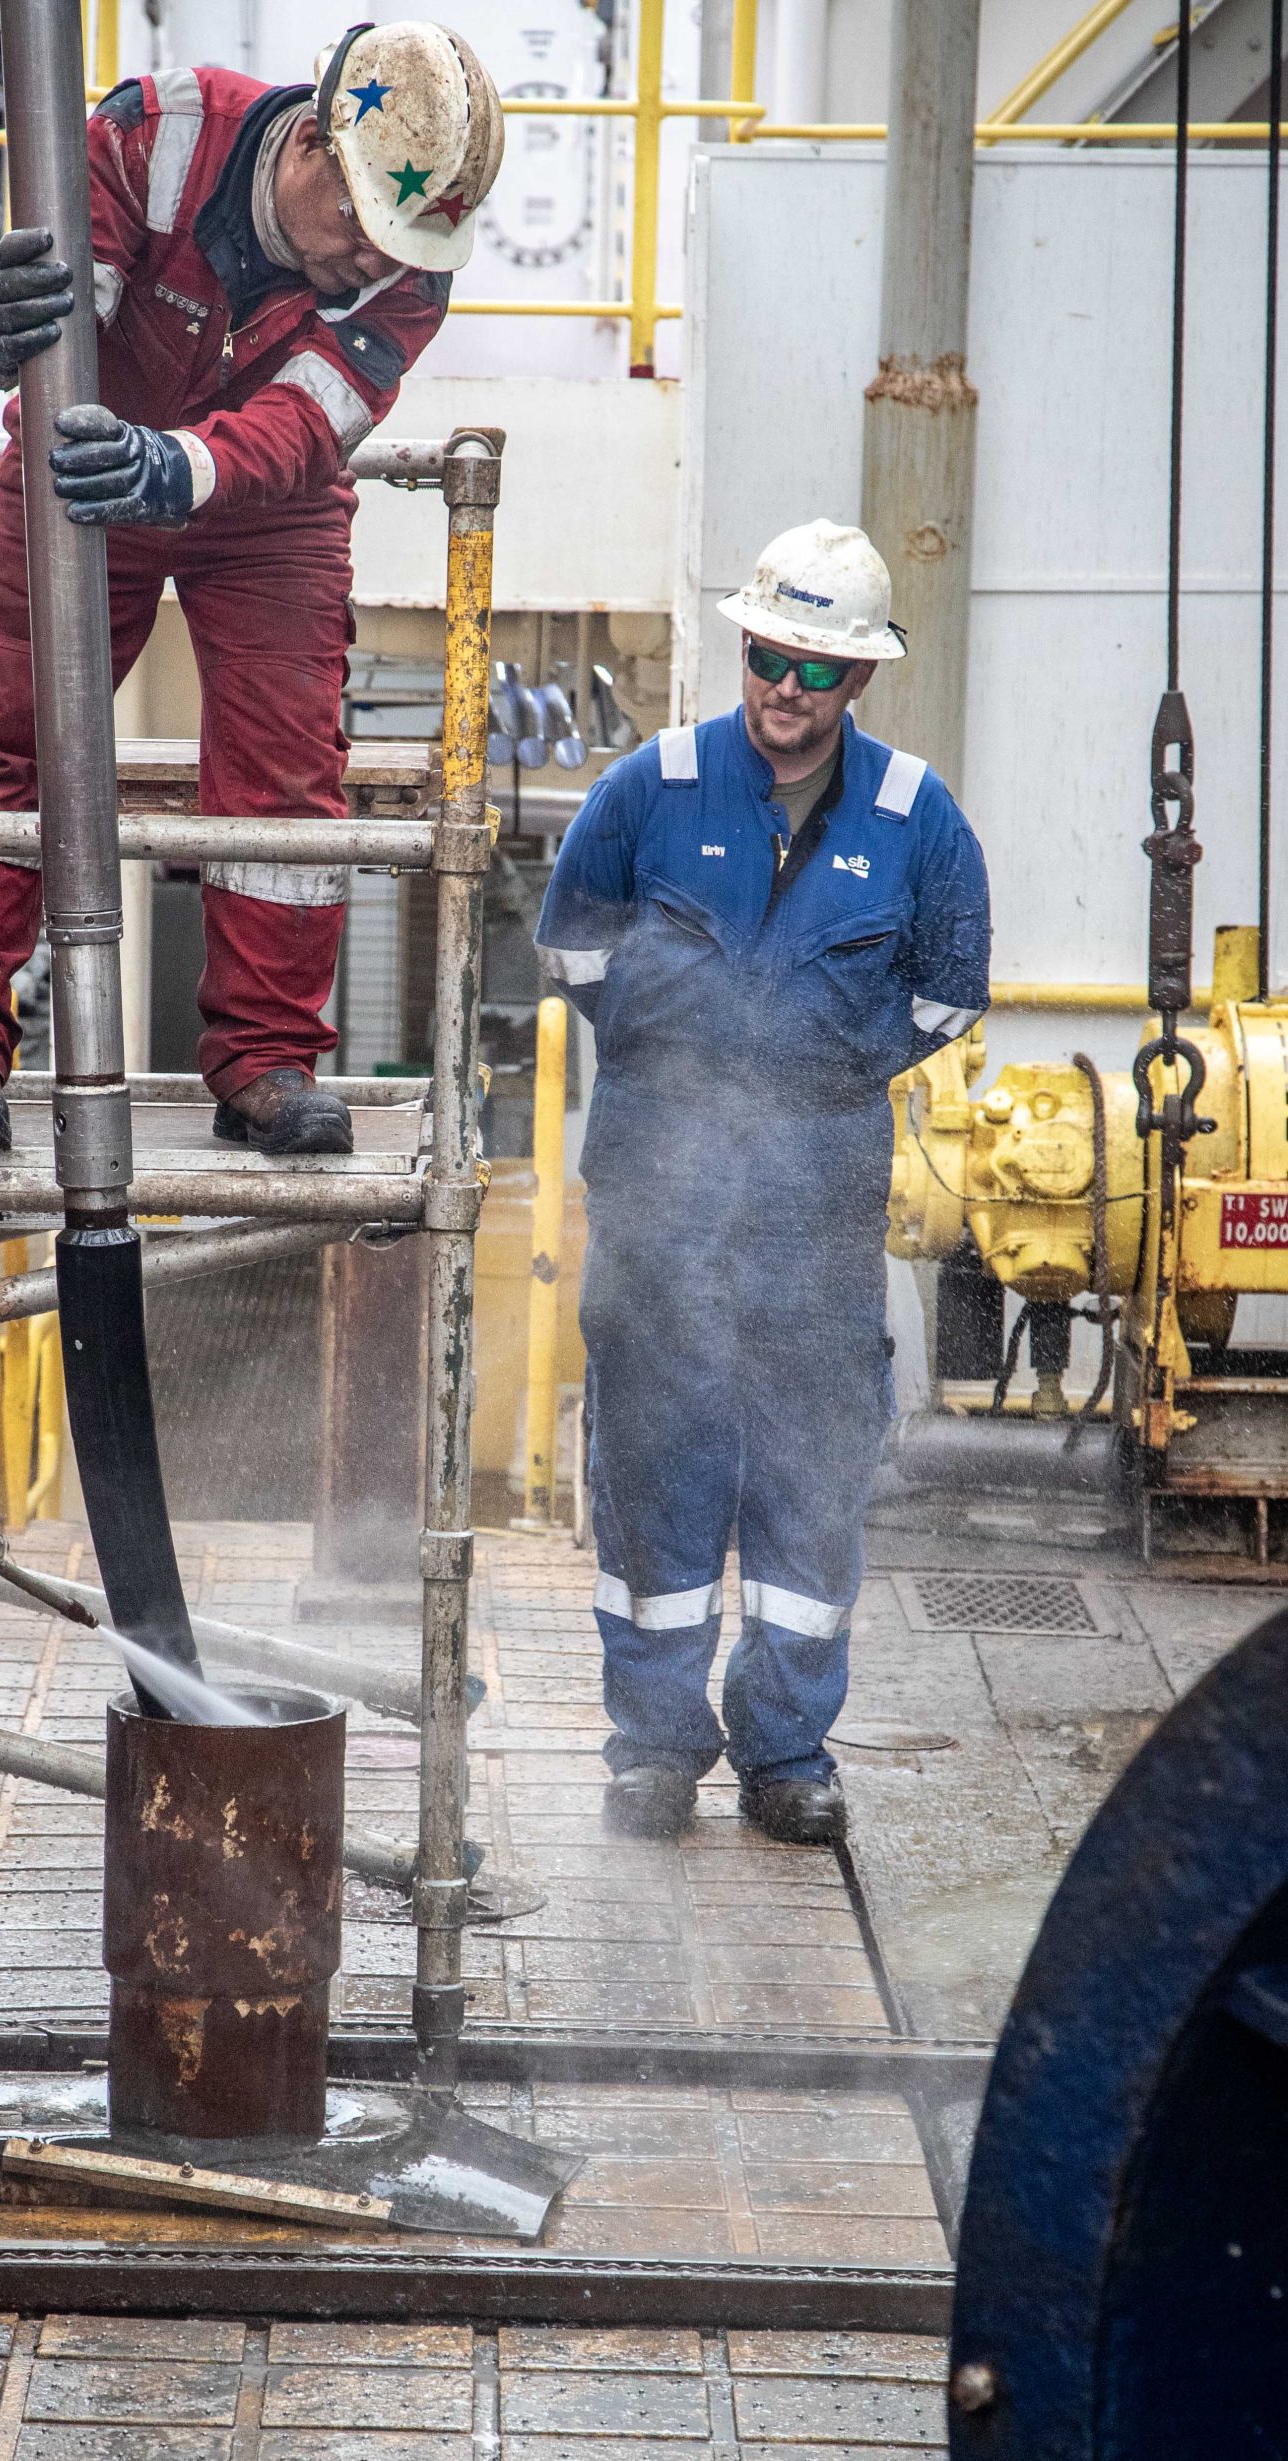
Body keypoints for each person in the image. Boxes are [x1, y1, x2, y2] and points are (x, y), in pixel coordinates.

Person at [0, 22, 503, 1157]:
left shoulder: (415, 265)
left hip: (267, 510)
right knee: (10, 744)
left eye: (404, 246)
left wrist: (178, 471)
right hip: (81, 466)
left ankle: (268, 1061)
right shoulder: (153, 136)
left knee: (285, 782)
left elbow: (302, 427)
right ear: (319, 142)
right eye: (368, 232)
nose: (380, 265)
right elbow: (54, 318)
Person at [535, 520, 991, 1845]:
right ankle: (654, 1750)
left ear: (858, 683)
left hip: (814, 1219)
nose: (782, 690)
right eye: (766, 658)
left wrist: (810, 1075)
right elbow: (571, 954)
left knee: (805, 1489)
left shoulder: (917, 824)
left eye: (812, 671)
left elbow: (946, 995)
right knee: (654, 1479)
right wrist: (679, 1069)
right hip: (654, 1216)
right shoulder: (651, 790)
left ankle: (786, 1752)